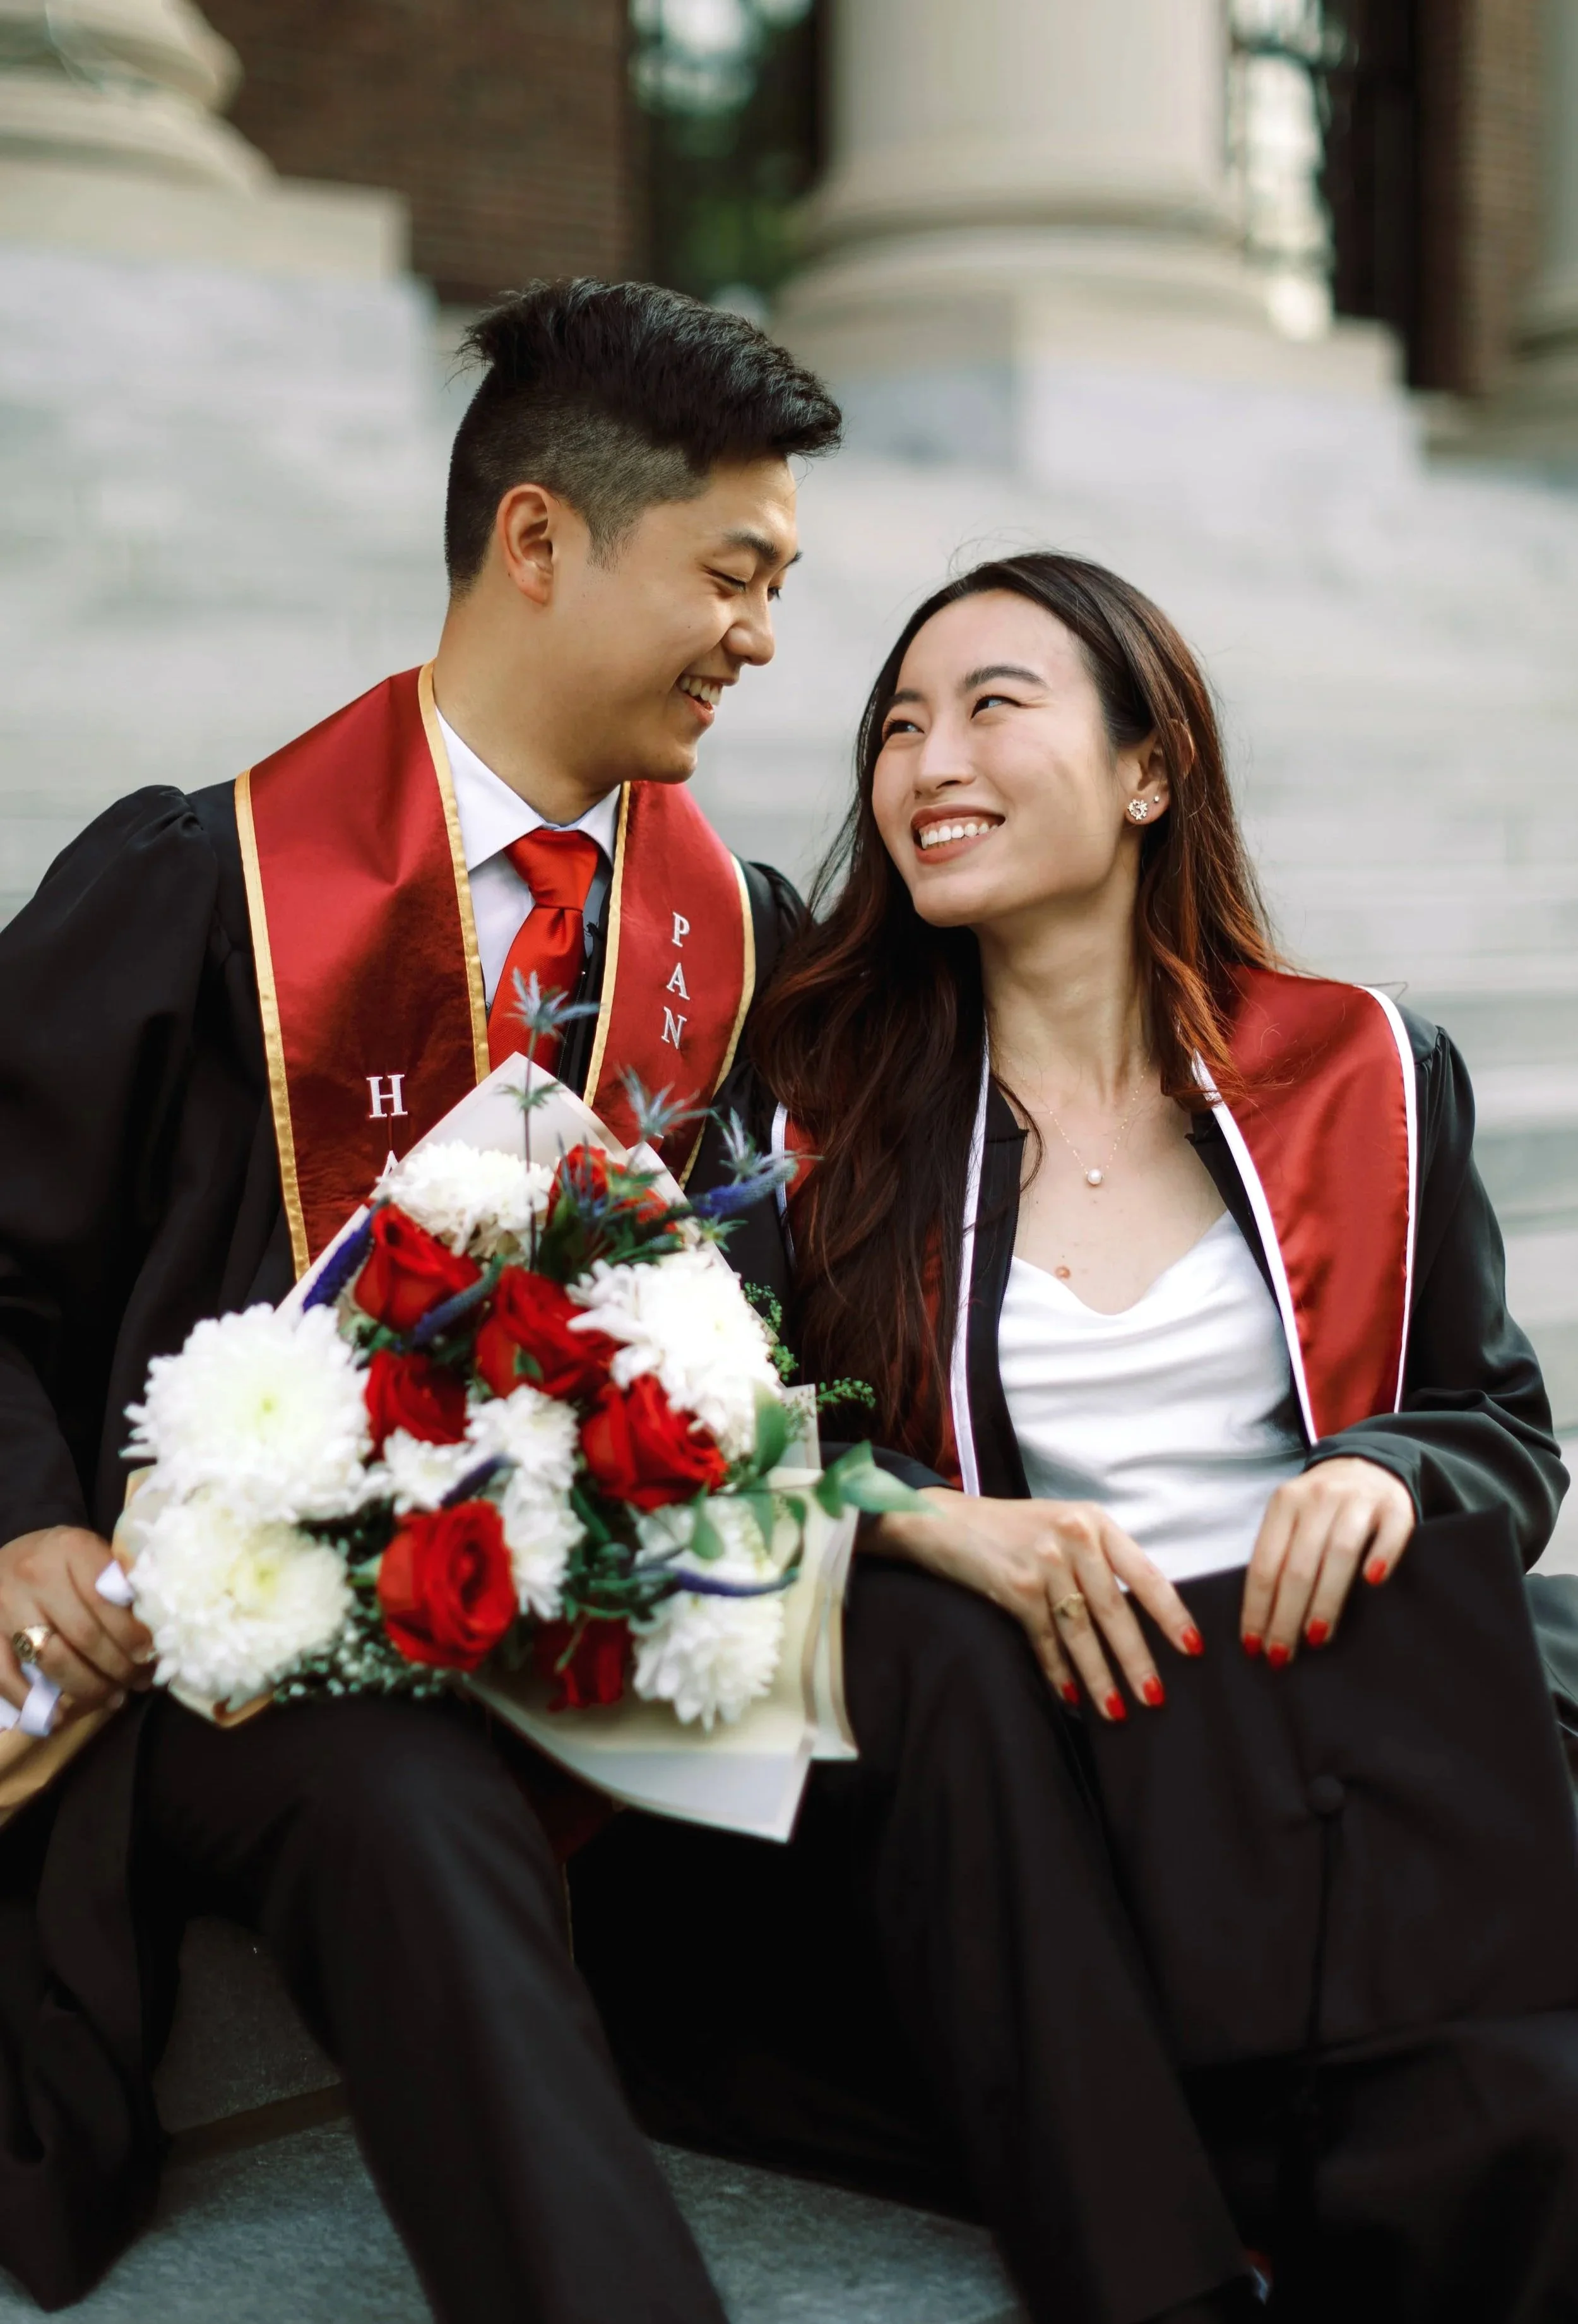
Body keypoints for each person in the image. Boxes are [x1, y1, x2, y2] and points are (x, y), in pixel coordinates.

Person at [570, 552, 1578, 2323]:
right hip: (1040, 1770)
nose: (929, 763)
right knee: (1481, 2103)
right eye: (898, 726)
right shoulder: (808, 1108)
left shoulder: (1356, 1068)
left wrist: (1383, 1467)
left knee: (1522, 2089)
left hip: (1321, 1735)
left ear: (1147, 770)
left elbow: (1498, 1426)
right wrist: (921, 1516)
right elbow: (706, 1439)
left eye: (991, 708)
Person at [0, 277, 838, 2316]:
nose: (759, 636)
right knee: (402, 1796)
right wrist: (18, 1523)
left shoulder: (731, 941)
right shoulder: (205, 888)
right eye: (731, 574)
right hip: (247, 1661)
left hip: (604, 1637)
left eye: (775, 587)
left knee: (944, 1661)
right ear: (537, 538)